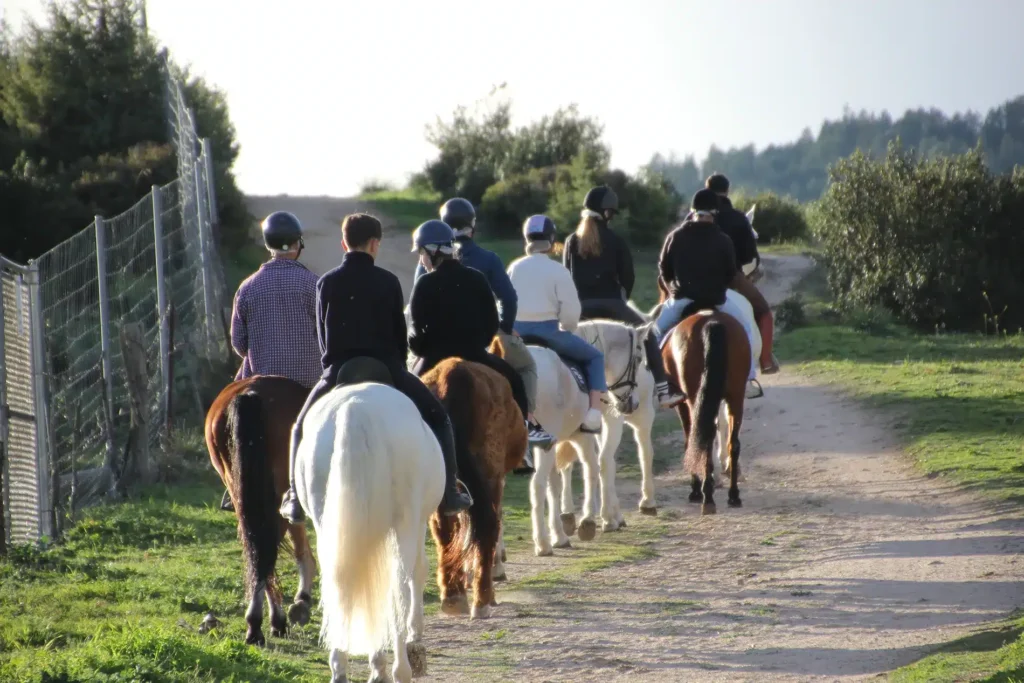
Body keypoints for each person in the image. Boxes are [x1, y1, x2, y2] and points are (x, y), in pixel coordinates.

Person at [278, 213, 473, 524]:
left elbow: (323, 338)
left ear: (344, 244)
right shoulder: (389, 281)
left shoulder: (326, 282)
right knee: (439, 418)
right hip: (387, 368)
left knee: (300, 426)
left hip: (338, 370)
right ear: (373, 244)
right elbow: (399, 335)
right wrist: (397, 364)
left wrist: (332, 364)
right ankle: (450, 493)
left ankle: (294, 498)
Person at [413, 198, 554, 452]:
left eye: (422, 254)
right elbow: (494, 320)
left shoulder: (424, 280)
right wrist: (492, 336)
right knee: (516, 379)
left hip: (433, 357)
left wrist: (419, 347)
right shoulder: (480, 274)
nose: (421, 260)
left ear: (432, 251)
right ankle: (524, 431)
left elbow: (417, 327)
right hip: (475, 353)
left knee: (407, 391)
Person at [223, 211, 320, 512]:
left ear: (268, 245)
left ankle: (230, 482)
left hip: (259, 378)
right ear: (298, 244)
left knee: (229, 410)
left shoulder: (247, 287)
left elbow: (239, 345)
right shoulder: (313, 284)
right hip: (308, 383)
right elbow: (325, 338)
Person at [563, 185, 685, 408]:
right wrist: (620, 302)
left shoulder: (571, 241)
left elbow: (567, 277)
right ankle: (663, 390)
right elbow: (628, 278)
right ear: (606, 212)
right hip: (612, 306)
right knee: (648, 334)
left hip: (581, 309)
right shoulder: (616, 241)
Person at [652, 189, 763, 397]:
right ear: (715, 213)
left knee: (653, 334)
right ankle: (748, 379)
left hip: (682, 299)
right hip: (717, 300)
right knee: (747, 329)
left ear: (693, 212)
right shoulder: (723, 239)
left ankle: (657, 384)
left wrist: (672, 288)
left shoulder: (675, 237)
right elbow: (730, 273)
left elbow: (664, 269)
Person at [507, 215, 607, 433]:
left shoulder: (515, 267)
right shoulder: (558, 270)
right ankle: (594, 413)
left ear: (526, 238)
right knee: (594, 357)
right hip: (549, 333)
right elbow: (571, 312)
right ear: (551, 239)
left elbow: (504, 303)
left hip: (516, 334)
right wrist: (567, 328)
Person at [705, 173, 780, 374]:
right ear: (727, 190)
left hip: (696, 279)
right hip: (732, 278)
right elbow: (750, 257)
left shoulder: (693, 218)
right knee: (764, 312)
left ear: (707, 190)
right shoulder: (738, 218)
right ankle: (766, 360)